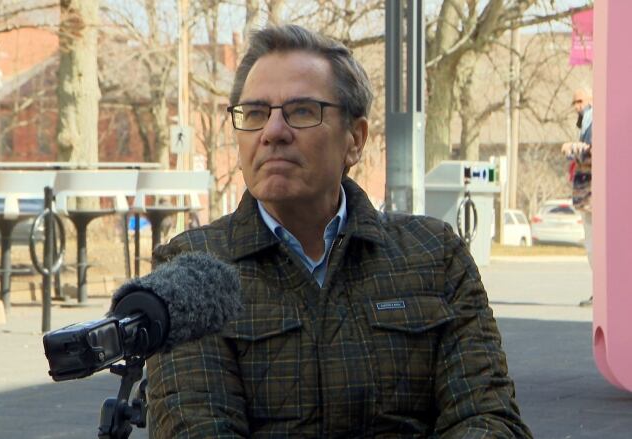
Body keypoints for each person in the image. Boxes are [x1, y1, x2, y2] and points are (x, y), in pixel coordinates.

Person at [145, 25, 532, 437]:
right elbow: (196, 428)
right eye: (255, 114)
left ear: (355, 139)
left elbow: (488, 418)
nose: (273, 133)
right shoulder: (192, 271)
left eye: (302, 111)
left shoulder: (434, 257)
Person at [560, 87, 593, 307]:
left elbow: (594, 152)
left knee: (594, 245)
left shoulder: (594, 120)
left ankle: (600, 291)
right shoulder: (586, 122)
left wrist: (571, 148)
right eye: (574, 102)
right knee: (591, 244)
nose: (577, 106)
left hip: (593, 194)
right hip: (587, 194)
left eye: (580, 101)